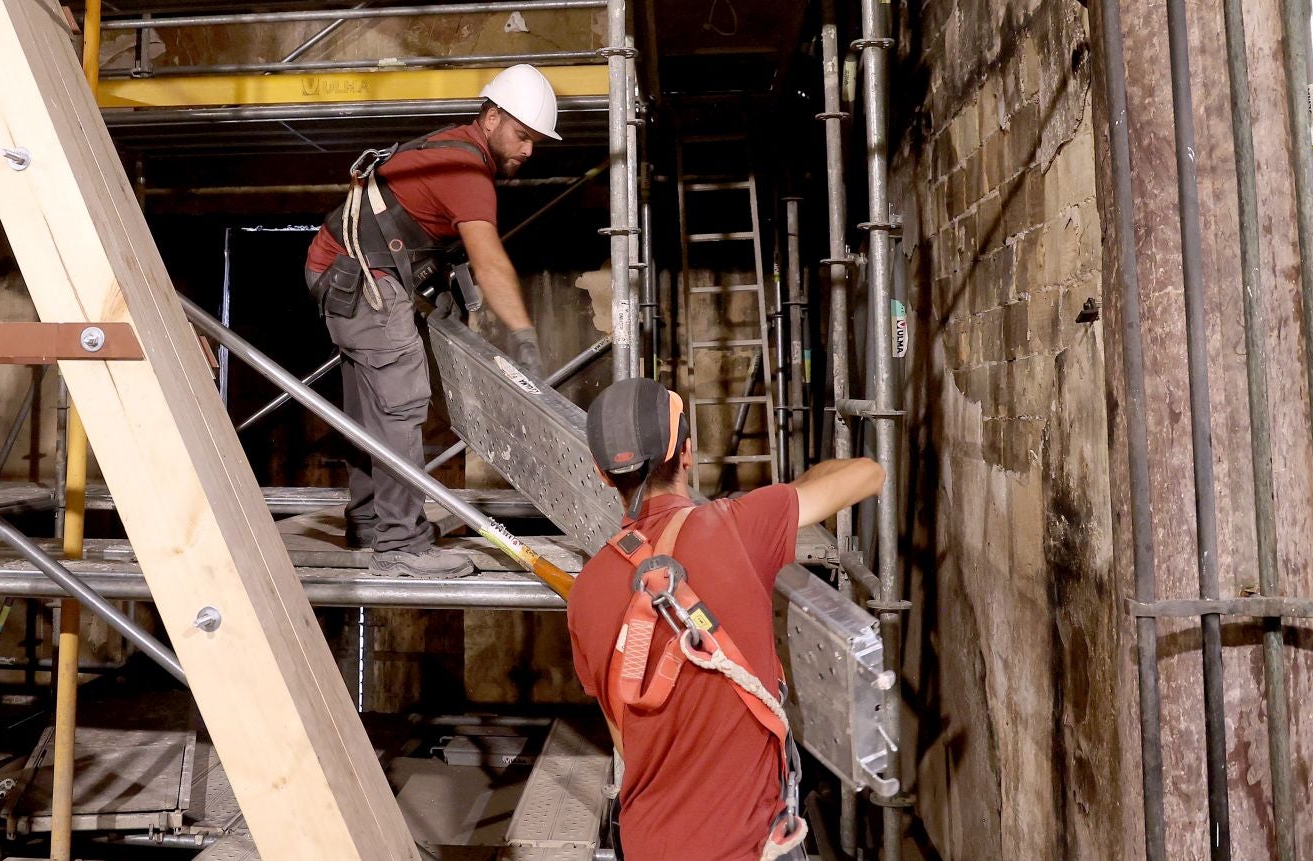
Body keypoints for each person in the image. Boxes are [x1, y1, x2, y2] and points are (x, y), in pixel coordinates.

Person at [567, 378, 884, 861]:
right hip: (749, 846)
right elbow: (867, 474)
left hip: (649, 844)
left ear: (603, 473)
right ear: (688, 453)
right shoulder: (740, 525)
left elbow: (624, 738)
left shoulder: (585, 591)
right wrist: (791, 491)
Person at [304, 64, 561, 579]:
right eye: (521, 134)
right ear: (491, 119)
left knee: (372, 408)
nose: (528, 149)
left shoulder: (454, 147)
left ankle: (371, 522)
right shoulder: (467, 172)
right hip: (362, 280)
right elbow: (488, 259)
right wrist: (525, 337)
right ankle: (401, 543)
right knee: (401, 405)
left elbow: (427, 232)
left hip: (340, 271)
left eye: (535, 140)